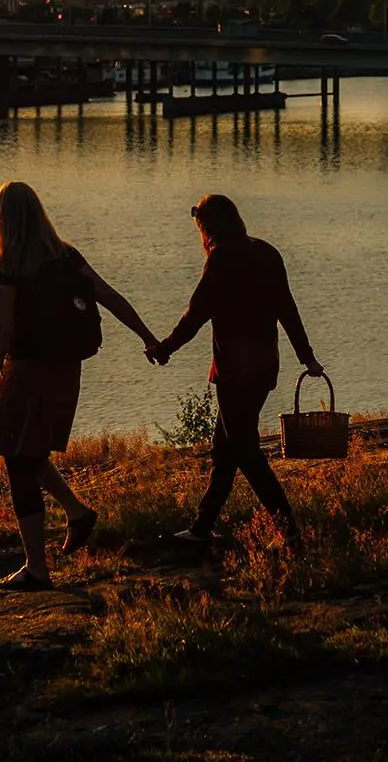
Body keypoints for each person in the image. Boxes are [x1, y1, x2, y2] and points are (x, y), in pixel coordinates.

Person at [0, 181, 161, 590]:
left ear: (0, 220)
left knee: (18, 459)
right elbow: (108, 295)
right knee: (29, 451)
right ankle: (76, 513)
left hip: (26, 372)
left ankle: (37, 568)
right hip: (66, 370)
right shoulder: (66, 256)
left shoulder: (9, 265)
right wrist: (147, 336)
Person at [152, 193, 323, 547]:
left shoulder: (221, 259)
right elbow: (287, 310)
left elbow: (194, 315)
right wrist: (306, 357)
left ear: (207, 227)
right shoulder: (267, 253)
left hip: (234, 371)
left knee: (244, 451)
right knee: (225, 449)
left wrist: (165, 348)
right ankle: (200, 529)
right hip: (264, 368)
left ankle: (289, 528)